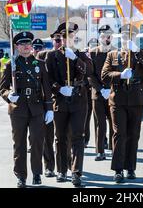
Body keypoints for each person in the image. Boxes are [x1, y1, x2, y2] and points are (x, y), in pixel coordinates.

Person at [0, 31, 54, 188]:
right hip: (18, 109)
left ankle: (37, 173)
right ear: (16, 46)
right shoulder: (11, 65)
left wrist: (49, 108)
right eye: (23, 44)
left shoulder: (40, 64)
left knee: (37, 141)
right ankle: (21, 176)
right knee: (19, 144)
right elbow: (2, 88)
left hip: (37, 108)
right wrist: (9, 95)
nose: (26, 47)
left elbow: (47, 88)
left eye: (28, 44)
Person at [101, 24, 143, 183]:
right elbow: (104, 75)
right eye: (124, 36)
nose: (127, 39)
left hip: (136, 99)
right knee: (119, 133)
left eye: (130, 36)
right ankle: (118, 170)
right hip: (118, 98)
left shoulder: (142, 53)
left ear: (135, 38)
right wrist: (120, 75)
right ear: (120, 37)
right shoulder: (112, 54)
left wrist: (136, 52)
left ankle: (130, 167)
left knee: (133, 134)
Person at [45, 22, 93, 187]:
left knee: (77, 137)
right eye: (64, 37)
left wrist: (76, 59)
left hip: (78, 99)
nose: (67, 40)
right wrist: (58, 88)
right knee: (60, 137)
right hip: (61, 99)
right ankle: (61, 170)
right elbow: (48, 79)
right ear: (61, 38)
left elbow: (89, 71)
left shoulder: (82, 54)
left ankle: (76, 172)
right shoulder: (51, 56)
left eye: (71, 36)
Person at [88, 25, 116, 161]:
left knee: (114, 123)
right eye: (104, 35)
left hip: (113, 94)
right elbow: (90, 75)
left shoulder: (117, 52)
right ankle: (100, 151)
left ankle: (112, 148)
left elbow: (118, 73)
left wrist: (110, 89)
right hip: (98, 94)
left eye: (109, 35)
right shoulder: (92, 53)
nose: (106, 38)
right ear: (99, 37)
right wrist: (100, 89)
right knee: (100, 123)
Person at [33, 39, 56, 178]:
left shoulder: (44, 63)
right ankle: (45, 167)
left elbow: (48, 85)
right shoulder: (25, 63)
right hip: (33, 107)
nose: (37, 51)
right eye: (35, 48)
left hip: (47, 104)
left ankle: (52, 166)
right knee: (38, 139)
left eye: (39, 48)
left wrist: (49, 107)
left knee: (49, 138)